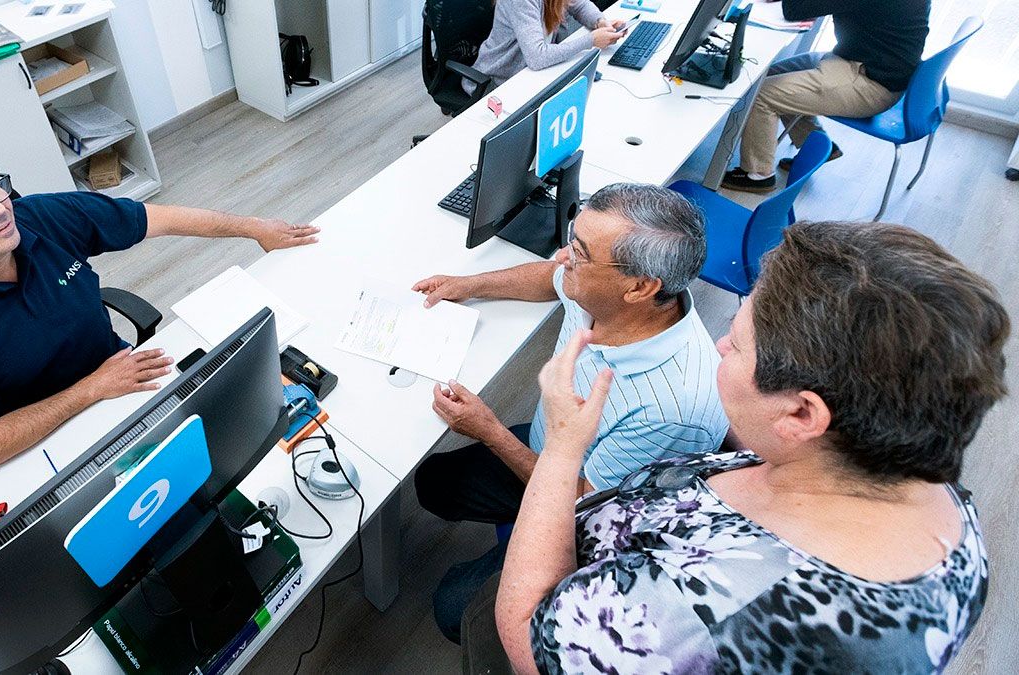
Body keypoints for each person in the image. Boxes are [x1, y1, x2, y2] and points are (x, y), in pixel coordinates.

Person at [494, 220, 1006, 673]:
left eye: (737, 344)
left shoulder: (708, 610)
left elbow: (528, 639)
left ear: (803, 413)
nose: (719, 345)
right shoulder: (929, 488)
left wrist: (563, 447)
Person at [0, 131, 319, 472]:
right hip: (45, 440)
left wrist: (255, 228)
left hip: (125, 381)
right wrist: (91, 389)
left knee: (244, 448)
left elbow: (156, 218)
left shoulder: (41, 218)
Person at [413, 183, 729, 642]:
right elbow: (549, 278)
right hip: (550, 449)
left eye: (579, 253)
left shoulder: (674, 408)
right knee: (433, 484)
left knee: (456, 611)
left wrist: (490, 431)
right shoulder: (601, 291)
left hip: (585, 514)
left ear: (640, 287)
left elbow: (583, 500)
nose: (563, 257)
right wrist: (468, 285)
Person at [722, 0, 931, 192]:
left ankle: (758, 175)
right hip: (860, 62)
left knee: (762, 94)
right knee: (767, 76)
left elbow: (795, 9)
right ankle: (815, 144)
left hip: (869, 83)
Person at [465, 0, 627, 94]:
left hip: (532, 73)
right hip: (498, 80)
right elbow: (537, 57)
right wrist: (591, 40)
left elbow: (579, 4)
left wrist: (600, 22)